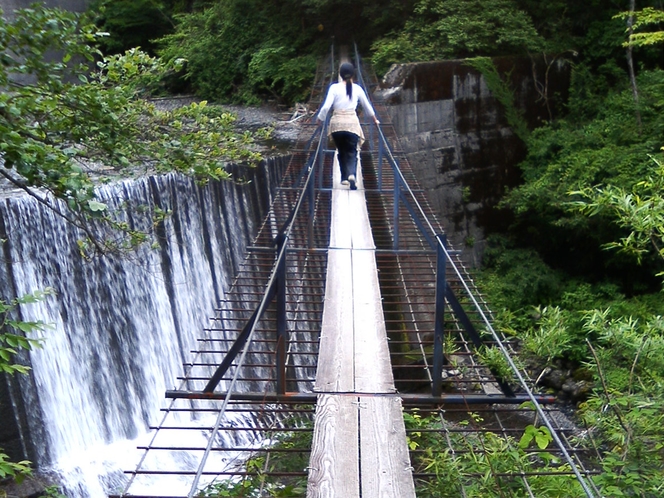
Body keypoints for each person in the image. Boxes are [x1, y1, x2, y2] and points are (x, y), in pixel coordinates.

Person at [316, 62, 380, 190]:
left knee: (341, 151)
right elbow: (367, 106)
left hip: (337, 125)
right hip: (352, 124)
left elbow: (326, 107)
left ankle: (344, 178)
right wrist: (375, 119)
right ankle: (352, 174)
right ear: (353, 75)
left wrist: (320, 119)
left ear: (340, 74)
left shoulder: (334, 88)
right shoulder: (357, 88)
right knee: (352, 151)